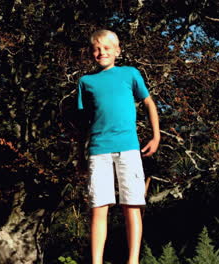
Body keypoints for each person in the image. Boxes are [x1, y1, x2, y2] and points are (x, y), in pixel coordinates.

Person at [77, 29, 160, 264]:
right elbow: (83, 124)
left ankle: (132, 260)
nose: (101, 52)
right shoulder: (86, 82)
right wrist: (79, 156)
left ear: (117, 51)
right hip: (97, 150)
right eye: (96, 49)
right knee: (98, 207)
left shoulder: (130, 74)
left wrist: (156, 137)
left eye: (106, 48)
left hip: (128, 148)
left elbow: (148, 103)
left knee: (132, 206)